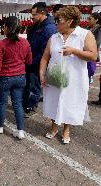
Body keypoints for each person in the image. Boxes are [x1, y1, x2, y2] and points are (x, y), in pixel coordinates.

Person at [40, 6, 98, 144]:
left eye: (59, 20)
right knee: (54, 101)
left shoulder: (84, 34)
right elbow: (45, 57)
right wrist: (42, 74)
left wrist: (74, 51)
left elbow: (93, 56)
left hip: (75, 79)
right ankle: (54, 126)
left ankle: (66, 129)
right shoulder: (54, 37)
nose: (56, 23)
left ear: (70, 21)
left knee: (70, 103)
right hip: (54, 77)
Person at [0, 16, 32, 139]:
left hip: (5, 78)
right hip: (20, 77)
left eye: (4, 26)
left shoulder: (1, 44)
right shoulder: (25, 42)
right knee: (18, 104)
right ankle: (20, 131)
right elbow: (29, 61)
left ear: (7, 28)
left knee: (2, 103)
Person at [23, 2, 57, 117]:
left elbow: (45, 52)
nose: (31, 17)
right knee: (27, 85)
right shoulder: (36, 25)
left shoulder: (49, 29)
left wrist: (32, 62)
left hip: (37, 64)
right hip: (30, 62)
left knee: (35, 87)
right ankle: (26, 104)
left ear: (42, 13)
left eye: (34, 14)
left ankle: (31, 106)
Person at [88, 12, 101, 105]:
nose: (88, 21)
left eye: (90, 19)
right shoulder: (88, 28)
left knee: (89, 73)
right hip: (85, 54)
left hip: (91, 54)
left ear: (96, 20)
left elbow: (97, 42)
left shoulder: (98, 29)